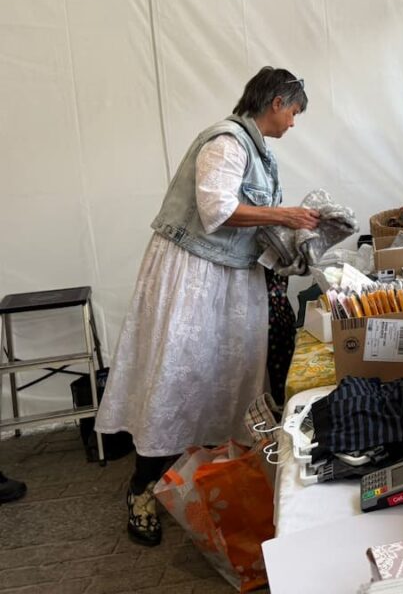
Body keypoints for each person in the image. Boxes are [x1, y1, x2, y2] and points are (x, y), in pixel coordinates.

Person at [96, 67, 320, 547]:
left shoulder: (255, 148)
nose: (294, 123)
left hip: (227, 276)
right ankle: (142, 489)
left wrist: (296, 237)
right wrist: (285, 214)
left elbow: (245, 218)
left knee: (225, 376)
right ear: (277, 102)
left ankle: (213, 484)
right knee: (177, 375)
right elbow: (216, 209)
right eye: (295, 112)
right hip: (193, 276)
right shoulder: (228, 140)